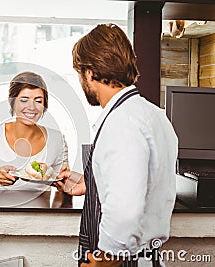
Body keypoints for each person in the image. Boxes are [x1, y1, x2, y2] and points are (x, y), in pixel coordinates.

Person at [55, 24, 178, 266]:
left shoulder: (122, 122)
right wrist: (90, 183)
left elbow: (126, 211)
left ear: (89, 73)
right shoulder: (153, 115)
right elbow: (143, 182)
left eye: (80, 74)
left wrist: (106, 259)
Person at [0, 71, 68, 192]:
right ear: (12, 102)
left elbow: (63, 188)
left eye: (38, 101)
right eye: (24, 100)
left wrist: (66, 188)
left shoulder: (57, 139)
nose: (32, 107)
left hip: (43, 210)